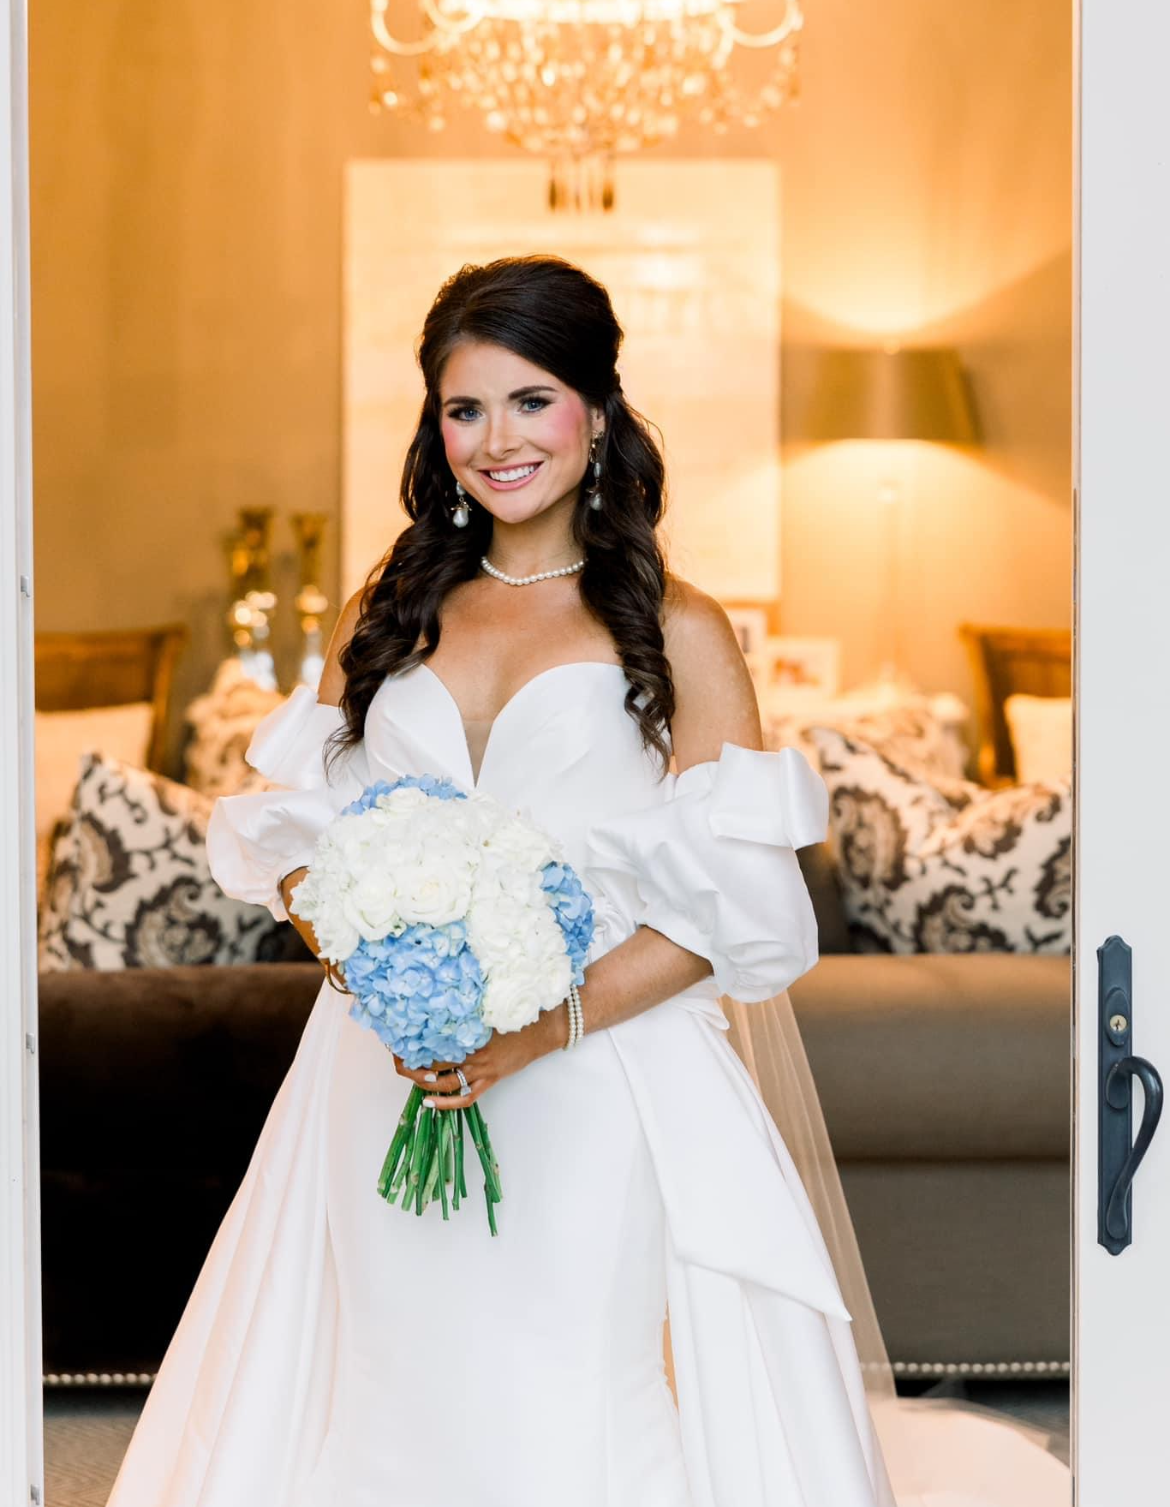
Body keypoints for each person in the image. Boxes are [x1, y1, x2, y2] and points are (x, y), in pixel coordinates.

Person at [107, 255, 1069, 1507]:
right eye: (465, 409)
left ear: (598, 411)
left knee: (561, 1384)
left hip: (597, 1077)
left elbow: (729, 911)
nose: (496, 440)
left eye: (531, 401)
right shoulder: (382, 612)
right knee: (394, 1378)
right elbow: (300, 839)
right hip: (381, 1070)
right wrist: (385, 977)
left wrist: (533, 1031)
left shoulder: (681, 629)